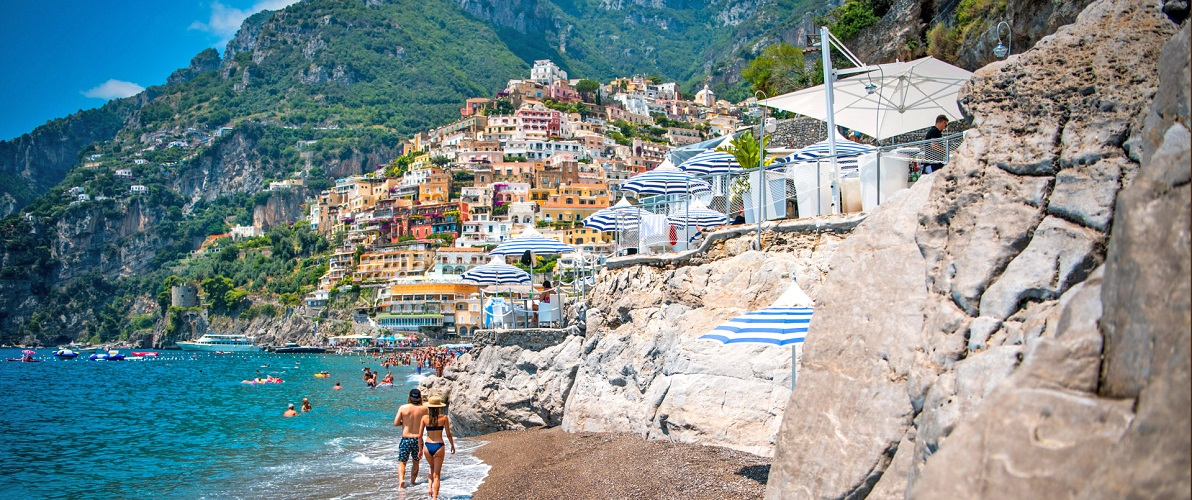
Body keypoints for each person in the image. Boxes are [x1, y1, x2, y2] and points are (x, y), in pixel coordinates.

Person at [420, 395, 455, 500]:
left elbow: (419, 435)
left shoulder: (424, 418)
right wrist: (452, 445)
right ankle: (434, 497)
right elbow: (448, 434)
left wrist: (419, 449)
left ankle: (429, 487)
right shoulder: (444, 418)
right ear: (439, 407)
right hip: (439, 446)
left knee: (431, 468)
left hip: (427, 446)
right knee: (437, 474)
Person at [394, 389, 429, 489]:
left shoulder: (403, 408)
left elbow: (396, 423)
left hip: (406, 439)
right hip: (418, 440)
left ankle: (401, 481)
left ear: (409, 397)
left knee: (402, 462)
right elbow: (427, 422)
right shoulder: (424, 409)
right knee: (416, 462)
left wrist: (404, 423)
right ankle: (413, 482)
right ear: (419, 398)